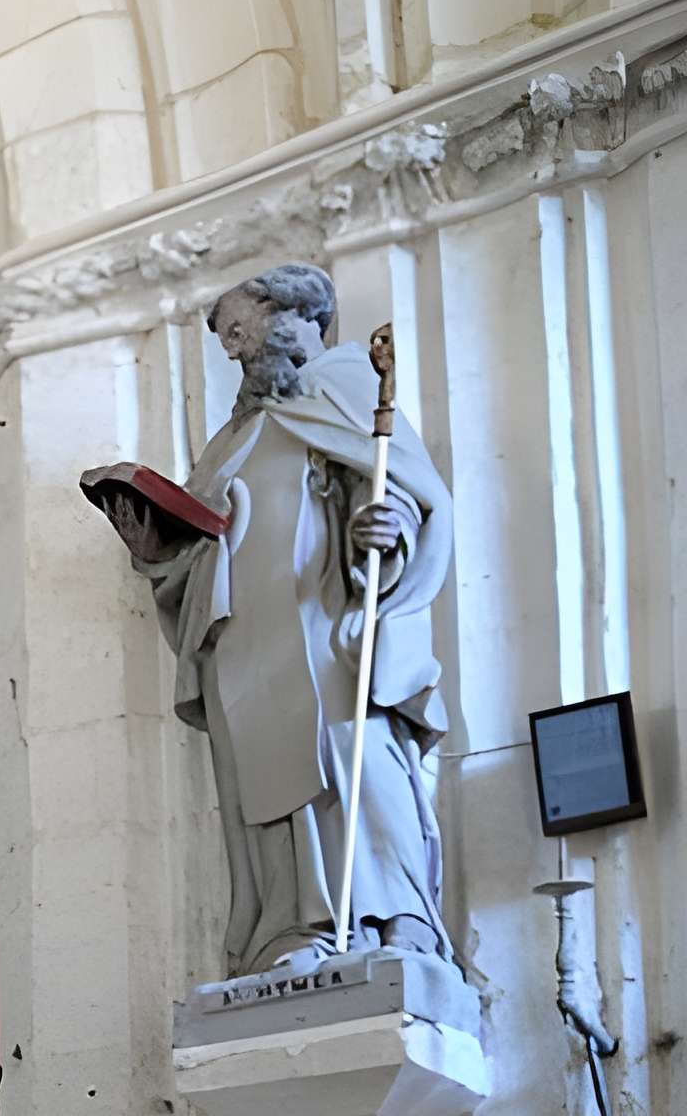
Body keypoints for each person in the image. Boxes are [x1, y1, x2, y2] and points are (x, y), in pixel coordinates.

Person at [97, 263, 456, 978]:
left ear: (293, 317)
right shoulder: (232, 439)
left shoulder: (352, 388)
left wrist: (384, 530)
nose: (232, 350)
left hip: (325, 622)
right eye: (225, 338)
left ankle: (397, 918)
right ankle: (297, 928)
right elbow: (195, 547)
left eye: (239, 329)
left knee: (355, 760)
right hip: (244, 644)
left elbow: (411, 498)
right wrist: (155, 552)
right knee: (264, 788)